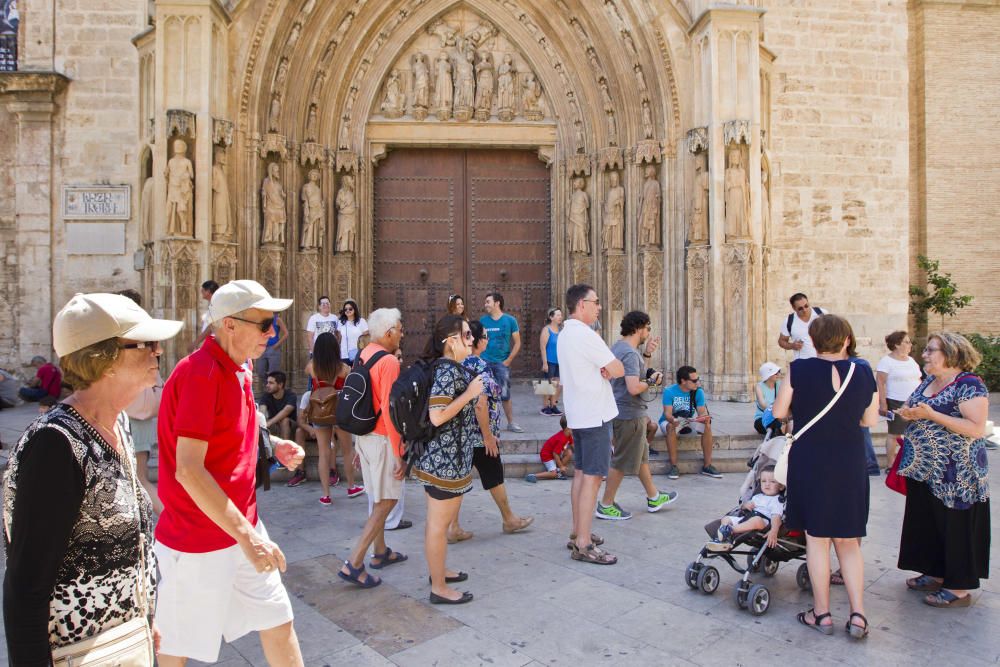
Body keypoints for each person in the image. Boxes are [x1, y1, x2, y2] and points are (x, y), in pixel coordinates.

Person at [3, 292, 182, 665]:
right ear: (105, 359)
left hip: (124, 644)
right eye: (145, 344)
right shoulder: (56, 445)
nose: (157, 352)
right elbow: (25, 588)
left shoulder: (118, 424)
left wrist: (144, 616)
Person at [155, 279, 306, 665]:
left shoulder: (240, 365)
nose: (272, 333)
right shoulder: (200, 375)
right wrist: (247, 537)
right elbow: (189, 469)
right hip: (199, 537)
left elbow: (233, 425)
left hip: (243, 527)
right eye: (264, 324)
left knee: (279, 621)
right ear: (230, 325)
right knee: (177, 648)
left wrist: (271, 443)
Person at [772, 314, 879, 639]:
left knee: (817, 541)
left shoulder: (799, 369)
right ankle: (858, 614)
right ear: (847, 339)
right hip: (849, 461)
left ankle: (822, 614)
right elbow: (870, 419)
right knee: (848, 542)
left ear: (813, 341)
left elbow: (778, 412)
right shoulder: (863, 372)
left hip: (811, 461)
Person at [896, 332, 990, 608]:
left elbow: (975, 428)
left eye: (930, 350)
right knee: (928, 521)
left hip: (956, 473)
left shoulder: (969, 385)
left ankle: (959, 586)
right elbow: (918, 407)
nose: (924, 355)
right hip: (924, 470)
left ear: (951, 353)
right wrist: (908, 412)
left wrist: (931, 415)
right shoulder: (929, 381)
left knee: (954, 527)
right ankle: (935, 571)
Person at [411, 315, 485, 604]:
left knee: (438, 526)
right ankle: (439, 587)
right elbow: (437, 415)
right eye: (467, 335)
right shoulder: (447, 371)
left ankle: (439, 571)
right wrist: (469, 394)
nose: (472, 339)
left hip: (451, 460)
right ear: (451, 341)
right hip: (443, 462)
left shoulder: (452, 368)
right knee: (437, 526)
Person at [337, 308, 408, 588]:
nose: (402, 333)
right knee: (387, 500)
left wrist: (358, 445)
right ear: (389, 332)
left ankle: (380, 551)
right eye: (400, 329)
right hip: (381, 438)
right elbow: (390, 410)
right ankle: (355, 562)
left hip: (364, 437)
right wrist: (399, 452)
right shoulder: (389, 361)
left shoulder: (364, 354)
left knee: (378, 497)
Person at [448, 320, 533, 542]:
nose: (487, 340)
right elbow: (480, 404)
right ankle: (509, 519)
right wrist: (488, 436)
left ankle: (452, 527)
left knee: (460, 480)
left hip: (461, 433)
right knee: (494, 476)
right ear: (476, 340)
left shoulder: (458, 363)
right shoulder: (479, 366)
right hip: (479, 436)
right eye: (484, 336)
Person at [558, 284, 625, 565]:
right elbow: (619, 368)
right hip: (595, 414)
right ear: (581, 305)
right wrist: (607, 369)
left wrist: (604, 369)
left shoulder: (564, 334)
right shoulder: (586, 335)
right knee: (593, 478)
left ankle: (578, 532)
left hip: (577, 412)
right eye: (596, 302)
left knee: (581, 474)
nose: (599, 307)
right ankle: (584, 543)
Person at [597, 311, 678, 520]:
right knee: (622, 460)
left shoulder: (619, 347)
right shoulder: (630, 354)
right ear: (639, 328)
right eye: (648, 328)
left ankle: (653, 496)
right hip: (629, 414)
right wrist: (654, 381)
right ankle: (606, 505)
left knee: (641, 456)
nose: (648, 333)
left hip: (622, 410)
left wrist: (648, 355)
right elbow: (634, 387)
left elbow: (635, 374)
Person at [118, 289, 167, 516]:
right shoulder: (148, 332)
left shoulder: (128, 335)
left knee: (138, 477)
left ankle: (171, 520)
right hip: (142, 412)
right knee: (137, 475)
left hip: (131, 411)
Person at [309, 332, 359, 504]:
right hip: (340, 413)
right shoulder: (344, 369)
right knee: (347, 451)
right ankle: (351, 486)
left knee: (323, 453)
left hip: (320, 412)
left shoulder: (312, 367)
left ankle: (325, 495)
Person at [658, 366, 721, 479]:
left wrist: (704, 418)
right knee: (671, 426)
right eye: (694, 380)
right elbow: (667, 413)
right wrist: (673, 420)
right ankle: (674, 466)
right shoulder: (669, 391)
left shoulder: (698, 392)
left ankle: (707, 465)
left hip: (688, 421)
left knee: (707, 426)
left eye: (698, 379)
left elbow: (702, 411)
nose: (697, 383)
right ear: (683, 381)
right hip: (670, 421)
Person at [707, 465, 785, 551]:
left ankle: (729, 531)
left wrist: (774, 531)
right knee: (726, 519)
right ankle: (722, 537)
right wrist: (745, 505)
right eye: (763, 481)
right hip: (747, 518)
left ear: (781, 486)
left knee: (756, 520)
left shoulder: (777, 500)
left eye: (772, 482)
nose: (767, 484)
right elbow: (743, 507)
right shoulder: (758, 496)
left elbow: (776, 517)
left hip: (763, 522)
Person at [876, 330, 922, 468]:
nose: (910, 345)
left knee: (915, 433)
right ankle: (890, 465)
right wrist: (883, 404)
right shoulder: (886, 361)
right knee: (894, 434)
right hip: (896, 401)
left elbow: (918, 379)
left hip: (915, 402)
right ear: (896, 345)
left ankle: (912, 463)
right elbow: (880, 383)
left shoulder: (912, 360)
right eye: (907, 342)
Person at [480, 291, 523, 433]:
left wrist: (509, 360)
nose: (485, 304)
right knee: (484, 395)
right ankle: (485, 425)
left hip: (501, 364)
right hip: (485, 363)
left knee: (505, 394)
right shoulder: (483, 321)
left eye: (488, 301)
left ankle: (511, 423)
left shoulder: (510, 320)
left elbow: (517, 342)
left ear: (497, 303)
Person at [525, 416, 574, 482]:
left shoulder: (568, 435)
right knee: (553, 474)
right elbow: (555, 454)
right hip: (547, 455)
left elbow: (572, 445)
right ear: (568, 428)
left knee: (569, 452)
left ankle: (558, 472)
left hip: (556, 453)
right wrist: (561, 466)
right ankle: (533, 476)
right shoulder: (561, 439)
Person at [778, 292, 825, 360]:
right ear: (794, 308)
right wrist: (792, 345)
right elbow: (781, 341)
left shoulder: (822, 313)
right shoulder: (789, 321)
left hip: (824, 360)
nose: (804, 310)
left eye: (806, 306)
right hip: (803, 363)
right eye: (800, 308)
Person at [539, 307, 564, 416]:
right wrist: (544, 363)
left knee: (557, 383)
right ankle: (545, 407)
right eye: (557, 315)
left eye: (560, 315)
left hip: (559, 361)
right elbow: (543, 347)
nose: (560, 317)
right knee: (547, 384)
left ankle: (553, 405)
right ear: (551, 317)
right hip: (549, 361)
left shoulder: (560, 330)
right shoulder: (546, 329)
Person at [261, 370, 297, 440]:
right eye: (267, 382)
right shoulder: (266, 395)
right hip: (274, 424)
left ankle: (285, 447)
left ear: (280, 385)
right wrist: (263, 420)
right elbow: (262, 410)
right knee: (261, 420)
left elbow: (286, 411)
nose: (267, 385)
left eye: (271, 383)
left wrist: (269, 422)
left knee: (284, 420)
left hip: (291, 426)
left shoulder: (291, 395)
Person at [754, 361, 783, 439]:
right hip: (762, 418)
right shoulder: (759, 386)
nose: (778, 374)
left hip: (778, 417)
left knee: (780, 423)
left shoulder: (779, 384)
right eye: (776, 373)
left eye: (779, 372)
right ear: (768, 375)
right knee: (774, 424)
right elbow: (763, 405)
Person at [191, 279, 220, 351]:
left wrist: (196, 342)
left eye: (203, 290)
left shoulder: (216, 305)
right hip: (211, 341)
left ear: (209, 291)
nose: (201, 292)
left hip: (215, 342)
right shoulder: (213, 304)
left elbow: (212, 326)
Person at [337, 299, 369, 365]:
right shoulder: (340, 322)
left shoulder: (361, 321)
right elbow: (339, 339)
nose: (348, 310)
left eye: (350, 309)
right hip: (344, 355)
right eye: (345, 309)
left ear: (354, 309)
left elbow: (366, 339)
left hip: (358, 354)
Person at [258, 314, 289, 379]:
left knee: (273, 373)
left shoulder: (277, 319)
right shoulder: (262, 318)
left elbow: (286, 333)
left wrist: (277, 345)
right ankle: (269, 385)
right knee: (261, 372)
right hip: (262, 348)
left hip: (273, 349)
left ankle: (272, 387)